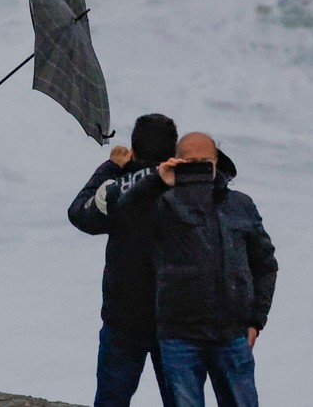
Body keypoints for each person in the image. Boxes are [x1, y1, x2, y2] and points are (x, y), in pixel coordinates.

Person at [69, 116, 238, 407]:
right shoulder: (193, 188)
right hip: (177, 319)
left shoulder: (121, 187)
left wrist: (111, 167)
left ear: (134, 149)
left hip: (124, 316)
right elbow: (224, 181)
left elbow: (80, 213)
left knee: (112, 399)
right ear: (173, 149)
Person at [116, 132, 277, 407]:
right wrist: (157, 180)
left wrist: (255, 321)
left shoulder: (240, 204)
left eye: (205, 160)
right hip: (179, 335)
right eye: (190, 161)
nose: (199, 166)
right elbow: (124, 214)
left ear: (217, 162)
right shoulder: (162, 203)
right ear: (177, 161)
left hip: (232, 333)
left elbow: (265, 265)